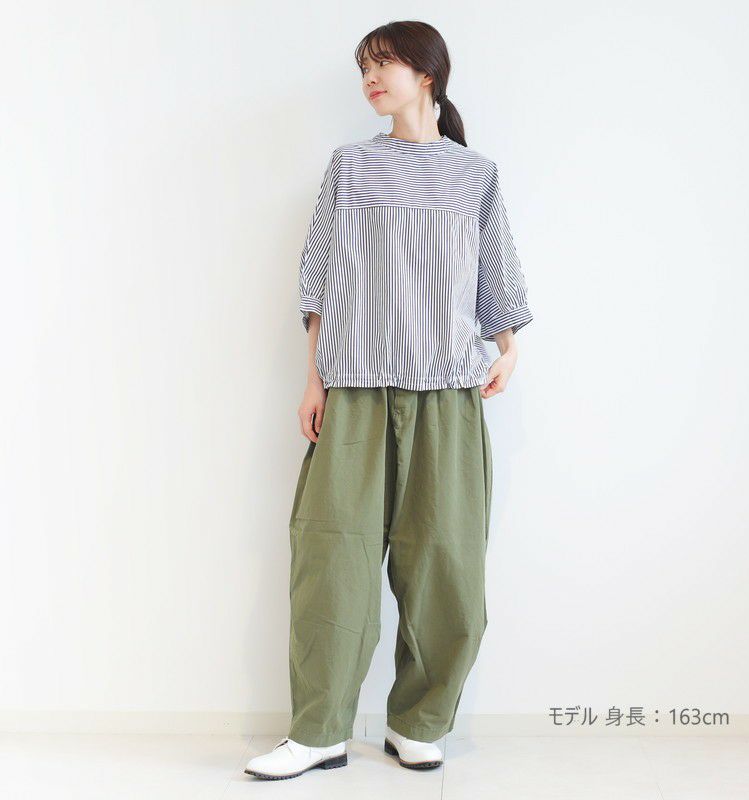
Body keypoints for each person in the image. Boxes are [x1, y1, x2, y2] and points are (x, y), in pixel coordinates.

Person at [245, 20, 533, 781]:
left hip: (447, 393)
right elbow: (317, 281)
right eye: (363, 69)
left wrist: (508, 350)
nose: (369, 80)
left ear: (427, 73)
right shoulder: (349, 168)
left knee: (447, 565)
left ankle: (420, 722)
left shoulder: (475, 175)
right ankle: (318, 731)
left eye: (383, 65)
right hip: (355, 392)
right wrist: (314, 379)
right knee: (330, 562)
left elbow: (496, 276)